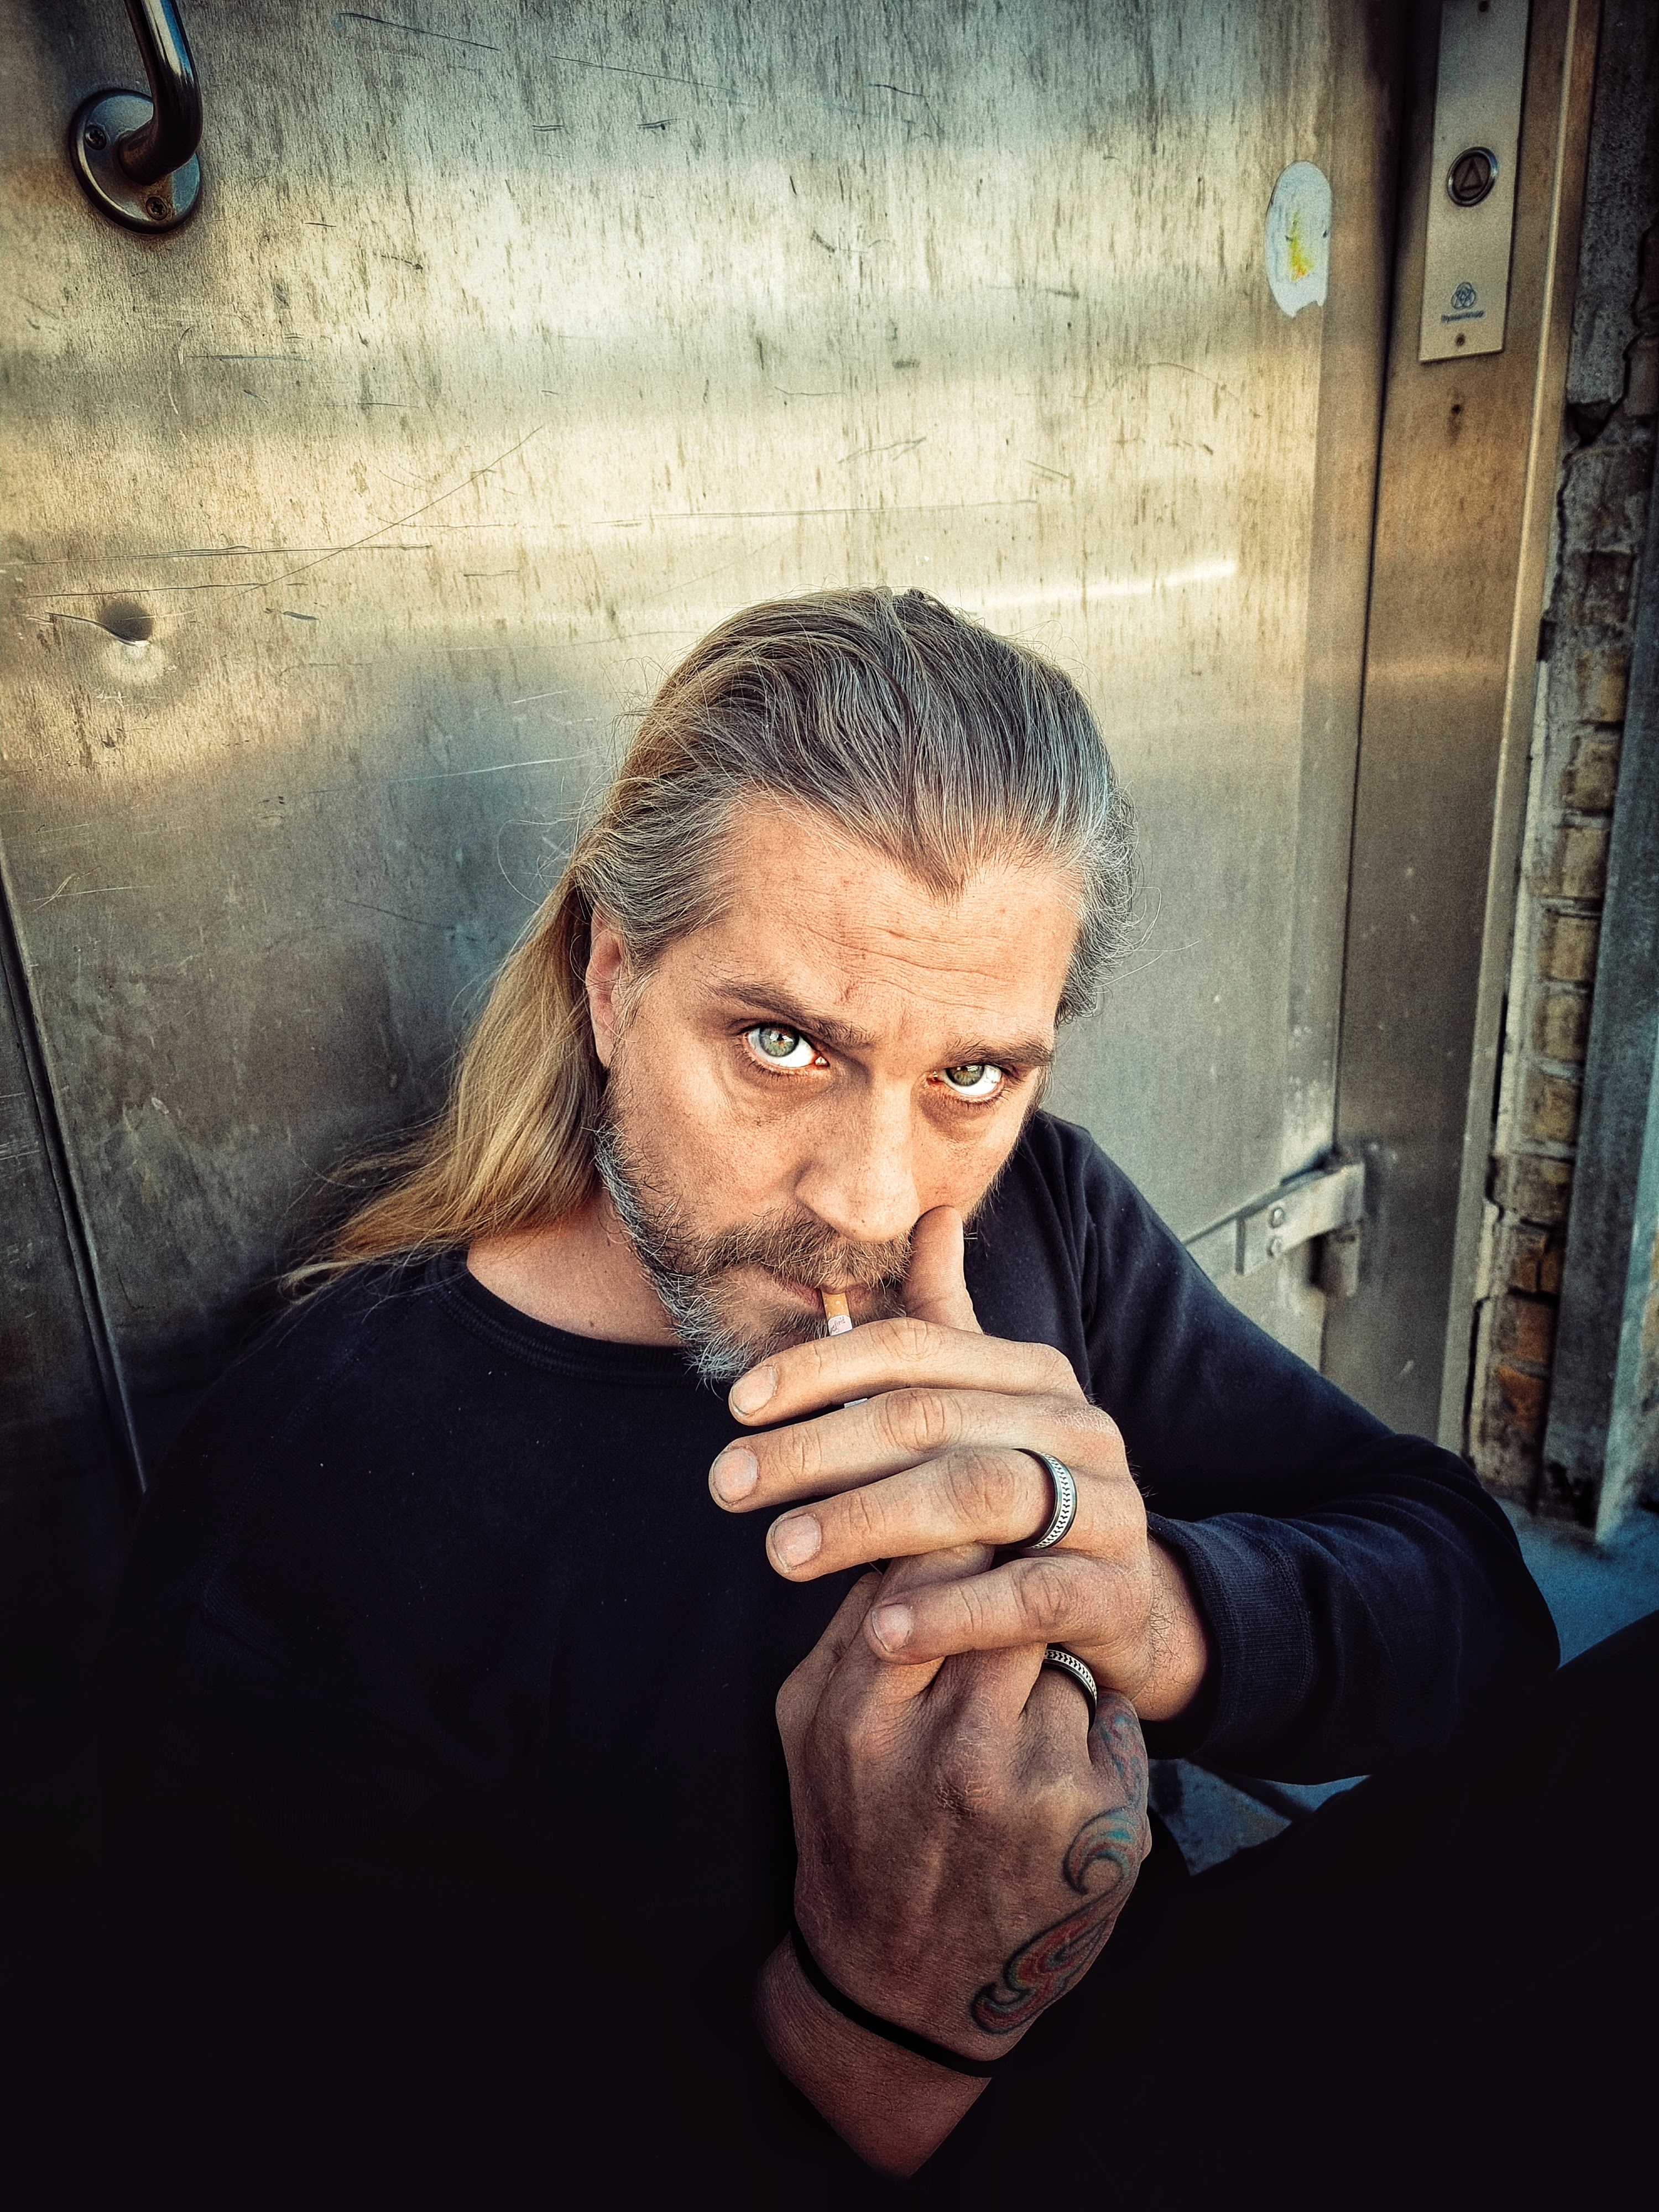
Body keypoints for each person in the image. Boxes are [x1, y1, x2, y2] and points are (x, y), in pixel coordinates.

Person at [87, 589, 1644, 2199]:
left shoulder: (1038, 1216)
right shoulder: (324, 1497)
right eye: (783, 1044)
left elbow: (1473, 1606)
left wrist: (1156, 1610)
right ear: (612, 980)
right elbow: (239, 2116)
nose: (874, 1200)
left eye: (969, 1075)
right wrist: (870, 2035)